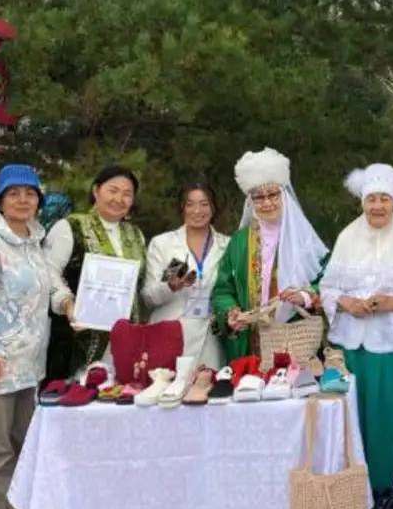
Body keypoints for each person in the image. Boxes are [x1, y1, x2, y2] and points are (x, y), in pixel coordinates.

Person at [0, 164, 73, 509]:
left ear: (39, 201)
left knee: (25, 450)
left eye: (30, 194)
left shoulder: (33, 240)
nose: (23, 200)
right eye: (14, 193)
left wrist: (66, 302)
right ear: (0, 200)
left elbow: (47, 284)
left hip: (29, 365)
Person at [320, 164, 393, 497]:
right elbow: (326, 289)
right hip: (354, 352)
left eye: (385, 199)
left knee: (391, 425)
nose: (378, 206)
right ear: (363, 203)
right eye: (372, 199)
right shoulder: (346, 237)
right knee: (356, 425)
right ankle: (354, 495)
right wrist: (346, 303)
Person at [212, 148, 329, 362]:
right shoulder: (239, 242)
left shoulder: (304, 238)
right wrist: (230, 312)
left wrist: (304, 295)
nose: (267, 203)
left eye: (273, 195)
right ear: (251, 202)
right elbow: (222, 289)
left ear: (283, 195)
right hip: (251, 342)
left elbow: (328, 279)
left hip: (295, 337)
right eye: (259, 197)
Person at [44, 165, 147, 381]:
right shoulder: (70, 226)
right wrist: (67, 303)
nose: (119, 198)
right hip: (79, 340)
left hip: (125, 341)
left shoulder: (135, 235)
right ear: (96, 191)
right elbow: (48, 271)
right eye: (113, 190)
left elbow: (140, 286)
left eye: (127, 194)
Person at [142, 180, 230, 369]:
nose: (197, 211)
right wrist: (170, 286)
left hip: (210, 340)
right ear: (181, 208)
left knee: (206, 390)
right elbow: (148, 297)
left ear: (214, 207)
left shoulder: (227, 246)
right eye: (190, 204)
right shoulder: (162, 244)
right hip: (169, 335)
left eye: (204, 204)